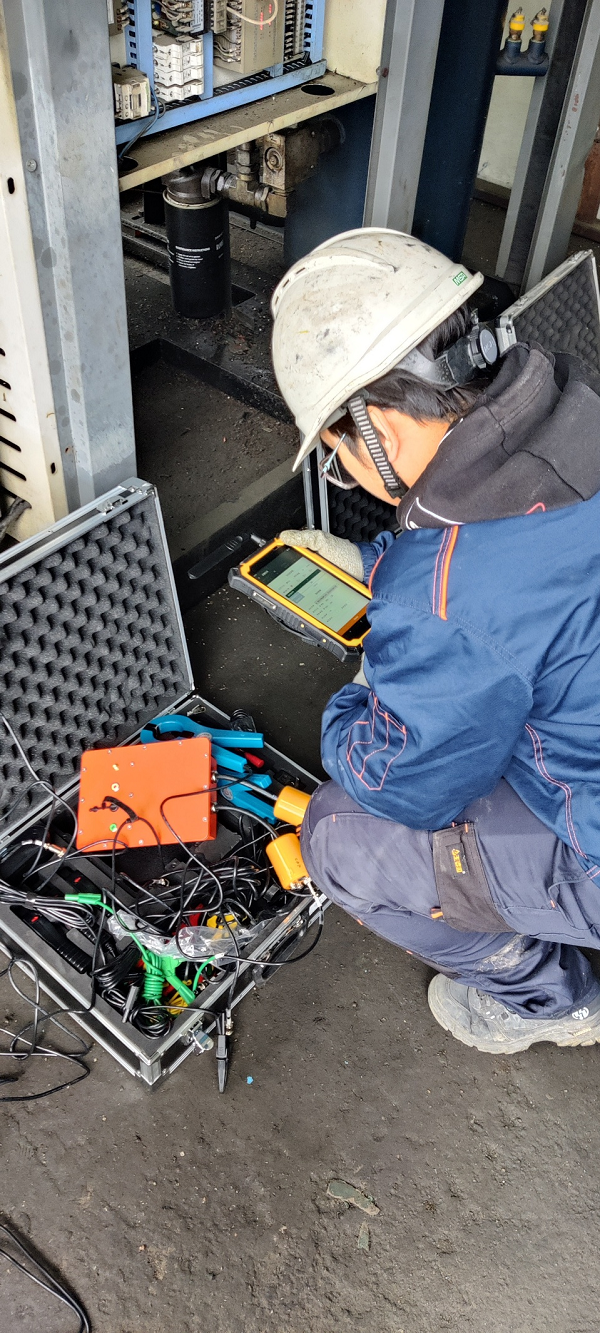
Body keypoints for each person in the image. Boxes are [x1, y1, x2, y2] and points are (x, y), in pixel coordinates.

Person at [269, 227, 600, 1055]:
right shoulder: (579, 404)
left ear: (377, 426)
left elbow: (402, 783)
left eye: (339, 456)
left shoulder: (447, 596)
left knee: (337, 836)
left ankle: (549, 999)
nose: (347, 471)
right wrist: (391, 566)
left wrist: (358, 695)